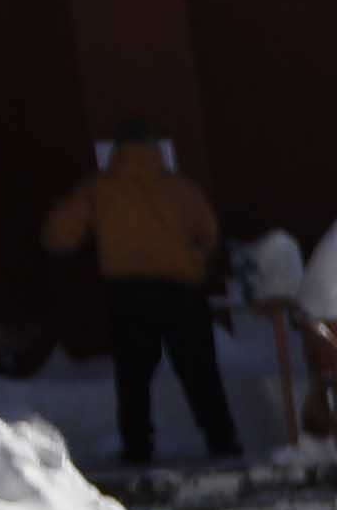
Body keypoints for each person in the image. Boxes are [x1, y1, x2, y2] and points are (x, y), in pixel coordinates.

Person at [42, 127, 234, 468]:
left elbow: (59, 234)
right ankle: (223, 442)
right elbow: (209, 232)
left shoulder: (100, 188)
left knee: (132, 378)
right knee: (200, 372)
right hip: (182, 292)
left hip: (128, 294)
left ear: (117, 152)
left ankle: (138, 450)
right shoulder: (179, 188)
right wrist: (195, 260)